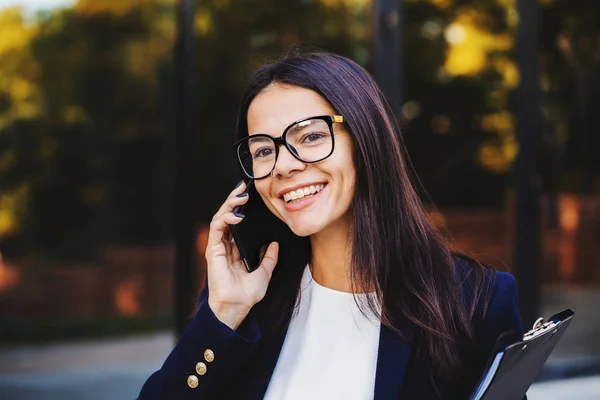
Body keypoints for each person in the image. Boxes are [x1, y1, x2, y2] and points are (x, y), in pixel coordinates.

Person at [137, 52, 523, 399]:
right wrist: (223, 312)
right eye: (263, 150)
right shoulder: (250, 300)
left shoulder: (475, 302)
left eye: (312, 136)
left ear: (365, 139)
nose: (284, 165)